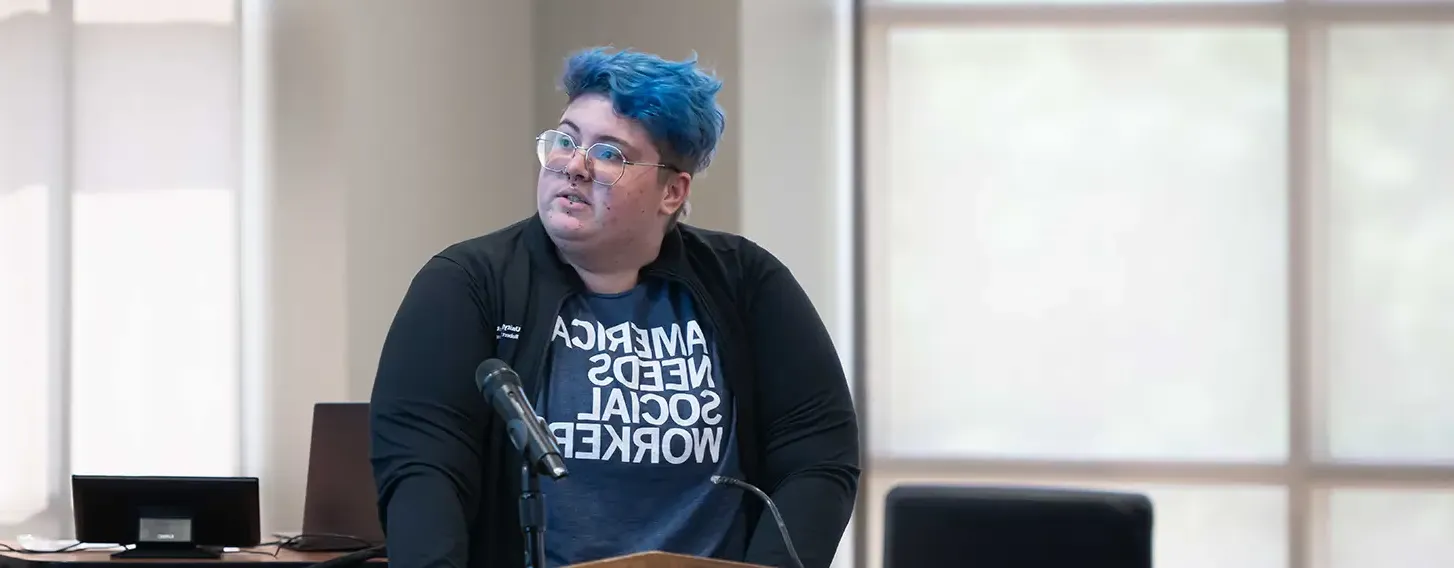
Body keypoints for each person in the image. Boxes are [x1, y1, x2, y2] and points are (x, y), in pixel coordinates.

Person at [369, 46, 859, 568]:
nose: (573, 166)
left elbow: (818, 456)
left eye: (609, 154)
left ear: (672, 191)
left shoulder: (747, 282)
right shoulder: (465, 285)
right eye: (565, 140)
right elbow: (423, 470)